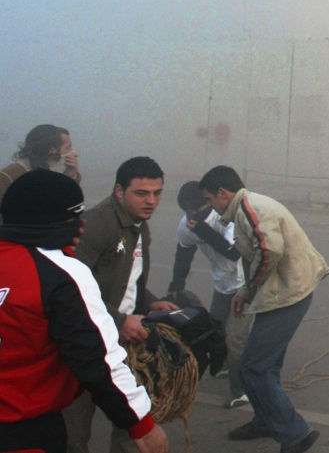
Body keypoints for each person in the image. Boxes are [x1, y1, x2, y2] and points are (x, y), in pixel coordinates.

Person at [0, 169, 168, 453]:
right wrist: (142, 424)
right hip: (25, 431)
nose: (80, 227)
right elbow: (97, 359)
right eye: (73, 218)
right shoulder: (61, 273)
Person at [199, 166, 329, 453]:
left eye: (210, 199)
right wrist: (248, 292)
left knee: (252, 369)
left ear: (223, 193)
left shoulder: (249, 208)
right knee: (265, 366)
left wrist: (249, 291)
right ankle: (266, 421)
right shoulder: (248, 206)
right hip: (284, 290)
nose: (210, 206)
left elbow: (270, 250)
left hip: (288, 293)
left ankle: (296, 434)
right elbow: (259, 252)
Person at [64, 156, 178, 453]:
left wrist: (151, 303)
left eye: (157, 193)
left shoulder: (140, 225)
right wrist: (118, 320)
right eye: (141, 193)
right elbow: (70, 289)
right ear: (119, 191)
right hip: (87, 345)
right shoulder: (95, 225)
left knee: (133, 430)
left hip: (125, 343)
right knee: (73, 435)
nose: (151, 201)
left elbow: (129, 277)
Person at [167, 180, 252, 409]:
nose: (192, 217)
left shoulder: (225, 219)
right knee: (214, 331)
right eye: (188, 213)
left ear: (207, 203)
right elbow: (183, 253)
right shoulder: (187, 224)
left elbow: (234, 253)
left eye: (196, 212)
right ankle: (226, 364)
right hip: (223, 285)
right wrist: (175, 286)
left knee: (234, 339)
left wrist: (204, 230)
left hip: (246, 285)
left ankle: (242, 390)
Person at [0, 124, 81, 204]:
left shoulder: (50, 174)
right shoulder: (7, 177)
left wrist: (68, 177)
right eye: (68, 147)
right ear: (51, 150)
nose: (74, 153)